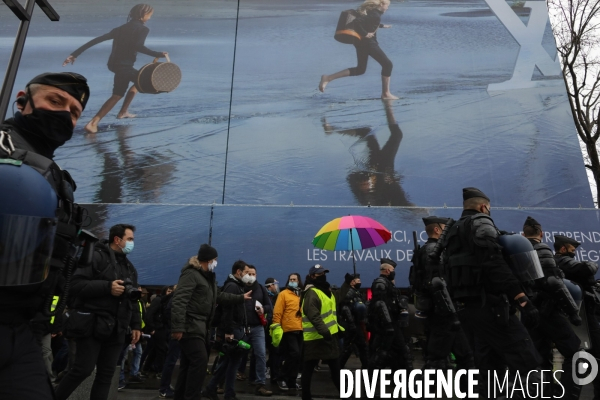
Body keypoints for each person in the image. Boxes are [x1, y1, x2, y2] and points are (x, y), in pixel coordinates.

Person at [0, 72, 89, 399]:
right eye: (55, 100)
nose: (65, 114)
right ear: (23, 100)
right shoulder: (5, 148)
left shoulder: (51, 172)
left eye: (75, 111)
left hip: (23, 330)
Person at [441, 187, 542, 397]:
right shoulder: (481, 222)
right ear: (483, 206)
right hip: (491, 307)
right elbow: (493, 263)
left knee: (490, 371)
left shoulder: (452, 232)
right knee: (527, 363)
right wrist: (521, 297)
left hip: (469, 310)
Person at [54, 224, 142, 400]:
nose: (133, 243)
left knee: (106, 376)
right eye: (130, 239)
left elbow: (132, 300)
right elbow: (74, 286)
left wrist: (136, 325)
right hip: (92, 325)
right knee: (82, 370)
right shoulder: (95, 257)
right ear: (117, 240)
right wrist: (107, 287)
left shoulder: (130, 268)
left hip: (116, 328)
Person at [62, 3, 168, 133]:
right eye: (149, 15)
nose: (149, 18)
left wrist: (75, 54)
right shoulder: (143, 29)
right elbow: (138, 46)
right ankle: (94, 122)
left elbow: (96, 40)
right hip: (124, 66)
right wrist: (157, 54)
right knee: (139, 83)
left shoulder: (120, 28)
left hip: (114, 65)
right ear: (143, 15)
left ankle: (121, 112)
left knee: (124, 89)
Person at [171, 250, 251, 400]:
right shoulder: (191, 274)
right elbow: (179, 300)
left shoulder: (207, 278)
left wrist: (240, 298)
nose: (216, 263)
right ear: (207, 260)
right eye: (214, 259)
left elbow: (219, 296)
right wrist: (178, 327)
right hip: (190, 325)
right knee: (200, 361)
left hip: (201, 327)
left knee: (188, 365)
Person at [519, 217, 582, 398]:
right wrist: (572, 312)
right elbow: (553, 282)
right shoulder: (541, 249)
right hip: (547, 310)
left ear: (523, 235)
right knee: (576, 354)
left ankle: (543, 394)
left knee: (539, 357)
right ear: (542, 234)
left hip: (527, 312)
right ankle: (566, 394)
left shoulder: (516, 252)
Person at [410, 216, 473, 372]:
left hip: (442, 311)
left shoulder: (428, 251)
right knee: (437, 360)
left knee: (461, 356)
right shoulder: (433, 251)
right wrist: (451, 313)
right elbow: (438, 284)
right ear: (437, 230)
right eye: (445, 228)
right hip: (443, 312)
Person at [319, 0, 398, 99]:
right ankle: (386, 94)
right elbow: (357, 22)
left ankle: (328, 78)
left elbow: (367, 22)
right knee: (387, 64)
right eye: (387, 6)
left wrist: (382, 26)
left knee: (360, 69)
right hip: (368, 44)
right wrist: (365, 34)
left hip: (360, 43)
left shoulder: (372, 12)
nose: (387, 8)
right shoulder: (375, 14)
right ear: (382, 4)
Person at [554, 234, 600, 398]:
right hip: (583, 317)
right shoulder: (562, 260)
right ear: (563, 249)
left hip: (585, 314)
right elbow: (586, 269)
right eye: (572, 250)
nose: (574, 253)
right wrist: (593, 265)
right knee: (586, 355)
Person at [204, 260, 253, 400]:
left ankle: (217, 390)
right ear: (238, 272)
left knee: (229, 362)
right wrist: (229, 331)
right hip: (232, 329)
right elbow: (228, 310)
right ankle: (223, 392)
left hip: (235, 328)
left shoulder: (236, 286)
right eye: (246, 272)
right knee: (229, 362)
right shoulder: (232, 286)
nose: (248, 276)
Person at [299, 265, 341, 400]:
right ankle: (306, 397)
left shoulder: (325, 290)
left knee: (335, 369)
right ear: (312, 276)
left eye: (324, 273)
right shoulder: (312, 293)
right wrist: (325, 331)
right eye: (319, 274)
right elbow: (314, 315)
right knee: (308, 370)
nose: (323, 275)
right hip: (315, 338)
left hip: (328, 337)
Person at [368, 258, 412, 371]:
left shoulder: (388, 283)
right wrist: (388, 324)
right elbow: (380, 304)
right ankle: (370, 376)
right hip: (386, 325)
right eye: (392, 270)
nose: (394, 272)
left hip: (393, 323)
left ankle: (404, 376)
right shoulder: (380, 283)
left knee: (401, 351)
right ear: (387, 270)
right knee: (383, 353)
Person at [239, 266, 273, 396]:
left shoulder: (261, 289)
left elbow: (269, 306)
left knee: (261, 354)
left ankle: (260, 384)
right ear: (243, 274)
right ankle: (221, 382)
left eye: (253, 273)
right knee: (233, 354)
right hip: (242, 327)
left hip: (257, 327)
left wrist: (263, 309)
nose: (251, 275)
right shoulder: (239, 287)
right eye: (248, 273)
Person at [272, 273, 303, 392]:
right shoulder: (283, 294)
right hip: (288, 328)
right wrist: (276, 326)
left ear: (299, 281)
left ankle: (292, 382)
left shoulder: (301, 294)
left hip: (300, 328)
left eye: (294, 279)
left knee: (297, 356)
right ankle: (282, 376)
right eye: (291, 279)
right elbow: (278, 311)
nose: (292, 281)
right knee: (294, 354)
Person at [338, 273, 369, 369]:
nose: (360, 282)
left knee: (361, 346)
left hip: (357, 323)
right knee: (348, 348)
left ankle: (366, 367)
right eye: (358, 281)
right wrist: (351, 324)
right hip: (350, 324)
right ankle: (338, 368)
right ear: (352, 282)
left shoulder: (357, 292)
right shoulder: (349, 293)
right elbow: (345, 309)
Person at [143, 285, 173, 375]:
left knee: (154, 350)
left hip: (161, 327)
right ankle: (158, 369)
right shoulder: (159, 300)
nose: (170, 294)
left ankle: (147, 368)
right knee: (161, 349)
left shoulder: (165, 302)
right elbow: (149, 315)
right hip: (158, 328)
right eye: (168, 291)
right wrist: (152, 328)